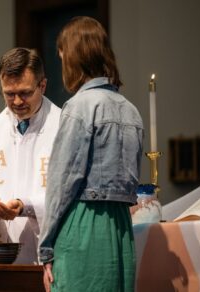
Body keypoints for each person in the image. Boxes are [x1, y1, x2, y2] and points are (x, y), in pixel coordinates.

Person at [39, 16, 144, 291]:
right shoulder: (131, 110)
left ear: (73, 59)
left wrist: (45, 248)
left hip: (84, 226)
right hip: (121, 229)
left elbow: (62, 184)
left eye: (63, 58)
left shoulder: (80, 107)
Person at [0, 47, 61, 264]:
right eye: (9, 94)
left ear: (42, 85)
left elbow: (69, 193)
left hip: (50, 252)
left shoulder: (64, 127)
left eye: (25, 93)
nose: (17, 102)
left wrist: (26, 205)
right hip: (1, 253)